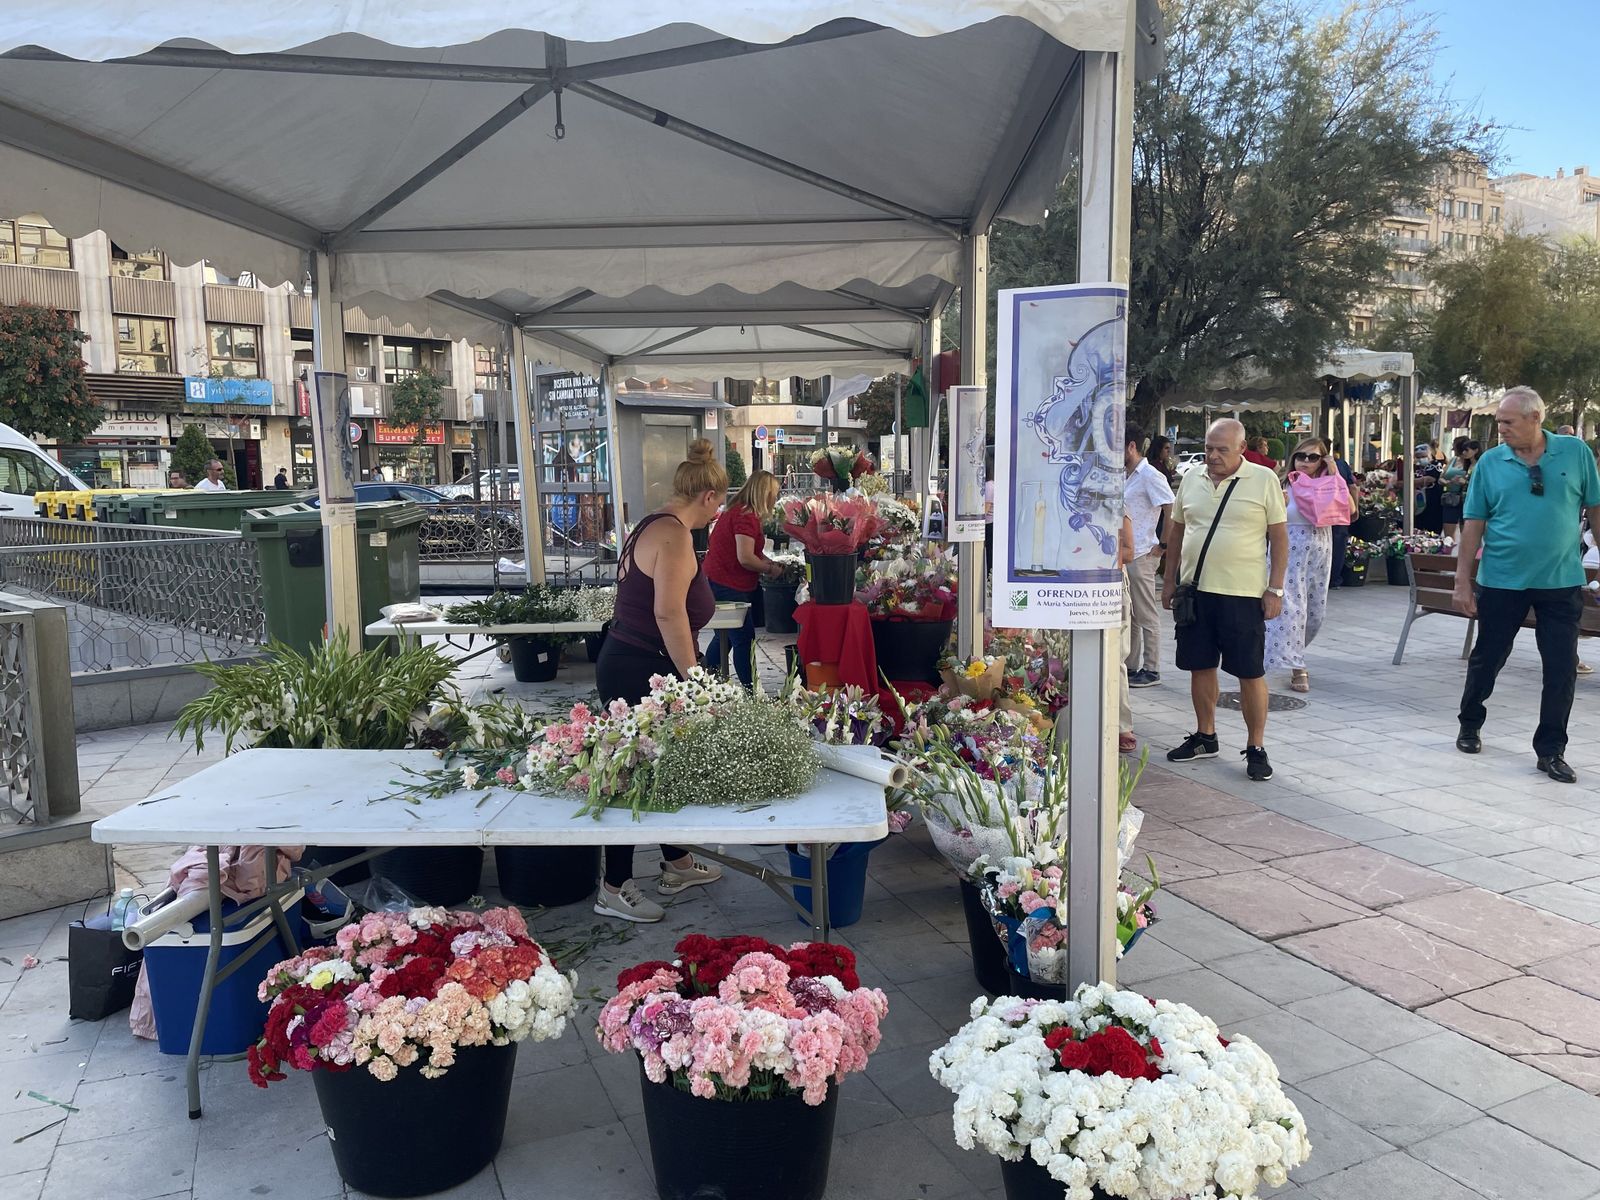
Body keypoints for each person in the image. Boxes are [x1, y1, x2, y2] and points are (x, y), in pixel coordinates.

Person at [593, 438, 727, 919]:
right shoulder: (675, 536)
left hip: (630, 659)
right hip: (640, 668)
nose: (717, 514)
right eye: (719, 504)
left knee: (660, 768)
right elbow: (669, 615)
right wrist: (696, 681)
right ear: (708, 497)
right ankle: (614, 887)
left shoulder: (652, 523)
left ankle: (677, 862)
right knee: (632, 773)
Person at [1453, 387, 1600, 783]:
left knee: (1561, 668)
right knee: (1488, 658)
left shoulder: (1575, 453)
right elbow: (1474, 523)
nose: (1500, 429)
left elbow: (1596, 509)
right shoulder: (1490, 462)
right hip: (1502, 581)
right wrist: (1463, 582)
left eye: (1508, 422)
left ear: (1536, 418)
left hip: (1561, 581)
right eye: (1498, 422)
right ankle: (1470, 723)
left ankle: (1551, 750)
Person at [1162, 418, 1288, 781]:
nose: (1213, 456)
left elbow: (1279, 538)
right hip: (1196, 591)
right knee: (1199, 665)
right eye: (1208, 448)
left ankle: (1256, 747)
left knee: (1250, 671)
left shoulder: (1263, 480)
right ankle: (1205, 735)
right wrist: (1169, 582)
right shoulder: (1192, 478)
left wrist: (1275, 589)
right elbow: (1177, 532)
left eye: (1222, 450)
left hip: (1243, 594)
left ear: (1242, 448)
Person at [1263, 437, 1348, 693]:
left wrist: (1333, 473)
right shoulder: (1284, 484)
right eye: (1301, 456)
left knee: (1314, 613)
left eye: (1313, 457)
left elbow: (1351, 509)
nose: (1306, 461)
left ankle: (1290, 653)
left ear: (1322, 460)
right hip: (1288, 552)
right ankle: (1296, 666)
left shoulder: (1329, 484)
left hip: (1319, 552)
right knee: (1291, 611)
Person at [702, 469, 782, 688]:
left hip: (721, 580)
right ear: (765, 493)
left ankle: (705, 683)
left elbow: (752, 552)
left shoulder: (740, 511)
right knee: (743, 640)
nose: (775, 499)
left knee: (725, 637)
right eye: (774, 493)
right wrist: (770, 569)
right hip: (728, 584)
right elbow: (745, 558)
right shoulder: (745, 516)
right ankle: (750, 691)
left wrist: (770, 563)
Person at [1122, 424, 1174, 688]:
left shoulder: (1150, 475)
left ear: (1131, 446)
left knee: (1145, 613)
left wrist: (1163, 545)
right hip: (1128, 552)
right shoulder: (1127, 475)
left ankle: (1152, 668)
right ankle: (1130, 665)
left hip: (1143, 551)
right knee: (1131, 613)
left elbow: (1170, 508)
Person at [1117, 515, 1138, 753]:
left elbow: (1129, 552)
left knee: (1115, 660)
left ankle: (1121, 724)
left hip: (1109, 586)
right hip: (1063, 588)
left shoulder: (1113, 504)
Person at [1327, 445, 1357, 588]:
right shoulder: (1341, 465)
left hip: (1319, 514)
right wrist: (1355, 509)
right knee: (1338, 545)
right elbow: (1352, 488)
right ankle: (1334, 579)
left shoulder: (1309, 467)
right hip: (1339, 511)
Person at [1440, 437, 1477, 545]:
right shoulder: (1453, 460)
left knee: (1466, 533)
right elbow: (1441, 477)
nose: (1452, 449)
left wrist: (1464, 482)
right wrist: (1448, 482)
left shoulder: (1472, 463)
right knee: (1448, 534)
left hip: (1465, 498)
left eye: (1454, 446)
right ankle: (1448, 550)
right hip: (1450, 498)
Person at [1411, 443, 1443, 533]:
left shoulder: (1435, 465)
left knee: (1433, 529)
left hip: (1433, 503)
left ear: (1430, 455)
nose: (1420, 459)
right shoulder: (1414, 467)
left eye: (1423, 456)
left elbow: (1430, 479)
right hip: (1417, 503)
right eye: (1418, 457)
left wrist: (1409, 482)